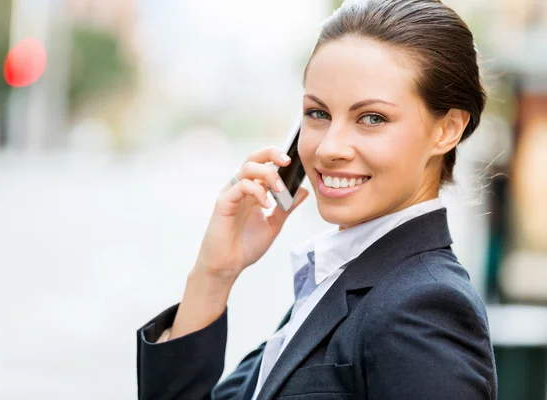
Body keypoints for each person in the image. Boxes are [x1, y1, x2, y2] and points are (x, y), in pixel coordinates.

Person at [136, 0, 498, 398]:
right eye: (318, 113)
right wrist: (214, 273)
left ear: (446, 129)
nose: (328, 148)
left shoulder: (423, 308)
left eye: (371, 118)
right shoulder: (340, 282)